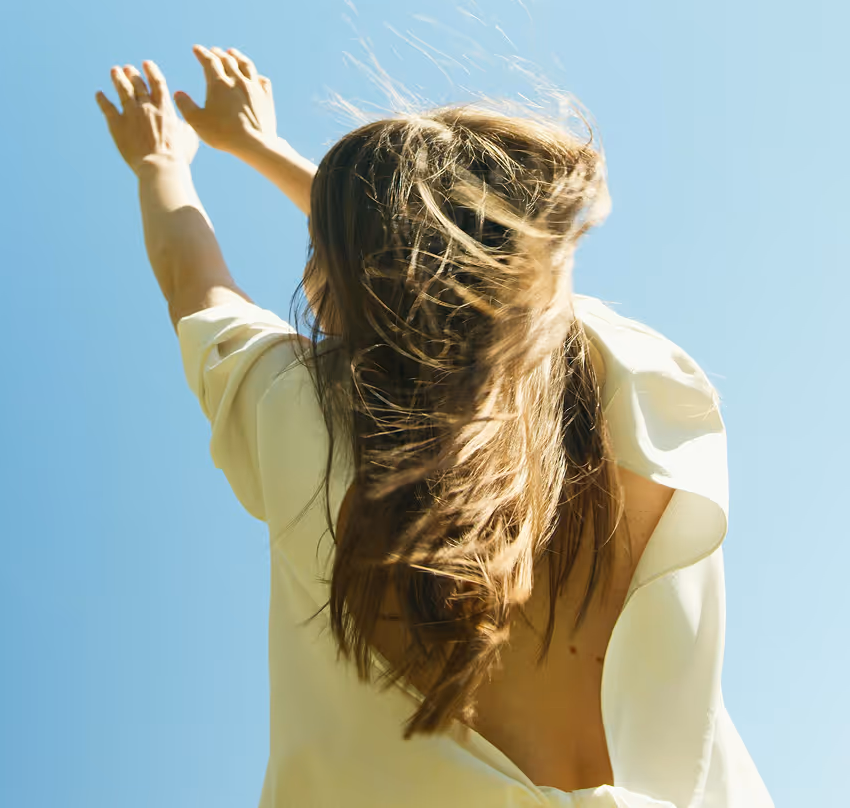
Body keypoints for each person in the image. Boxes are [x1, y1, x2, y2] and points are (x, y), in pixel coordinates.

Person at [96, 46, 774, 808]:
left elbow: (192, 281)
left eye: (320, 250)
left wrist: (160, 161)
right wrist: (263, 147)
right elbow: (467, 256)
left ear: (351, 270)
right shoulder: (644, 382)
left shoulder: (297, 412)